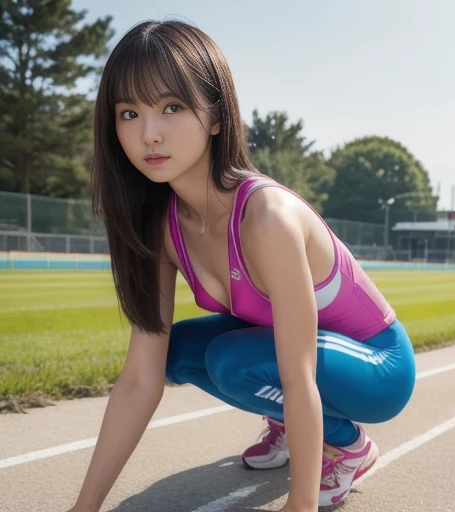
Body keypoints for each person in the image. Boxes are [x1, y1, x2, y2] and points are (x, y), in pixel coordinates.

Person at [70, 19, 416, 512]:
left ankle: (347, 446)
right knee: (177, 350)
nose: (149, 134)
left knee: (232, 362)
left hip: (377, 365)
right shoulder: (160, 227)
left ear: (215, 116)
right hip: (289, 356)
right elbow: (139, 379)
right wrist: (84, 507)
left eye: (172, 107)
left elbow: (297, 374)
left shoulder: (266, 217)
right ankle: (285, 421)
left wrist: (300, 505)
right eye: (129, 112)